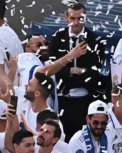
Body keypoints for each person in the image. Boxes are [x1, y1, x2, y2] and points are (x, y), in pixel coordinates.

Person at [49, 2, 110, 133]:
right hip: (62, 100)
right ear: (66, 18)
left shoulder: (95, 40)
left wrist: (67, 76)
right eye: (72, 18)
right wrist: (72, 70)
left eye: (80, 18)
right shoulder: (58, 38)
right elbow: (52, 69)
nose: (76, 23)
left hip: (85, 99)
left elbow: (93, 74)